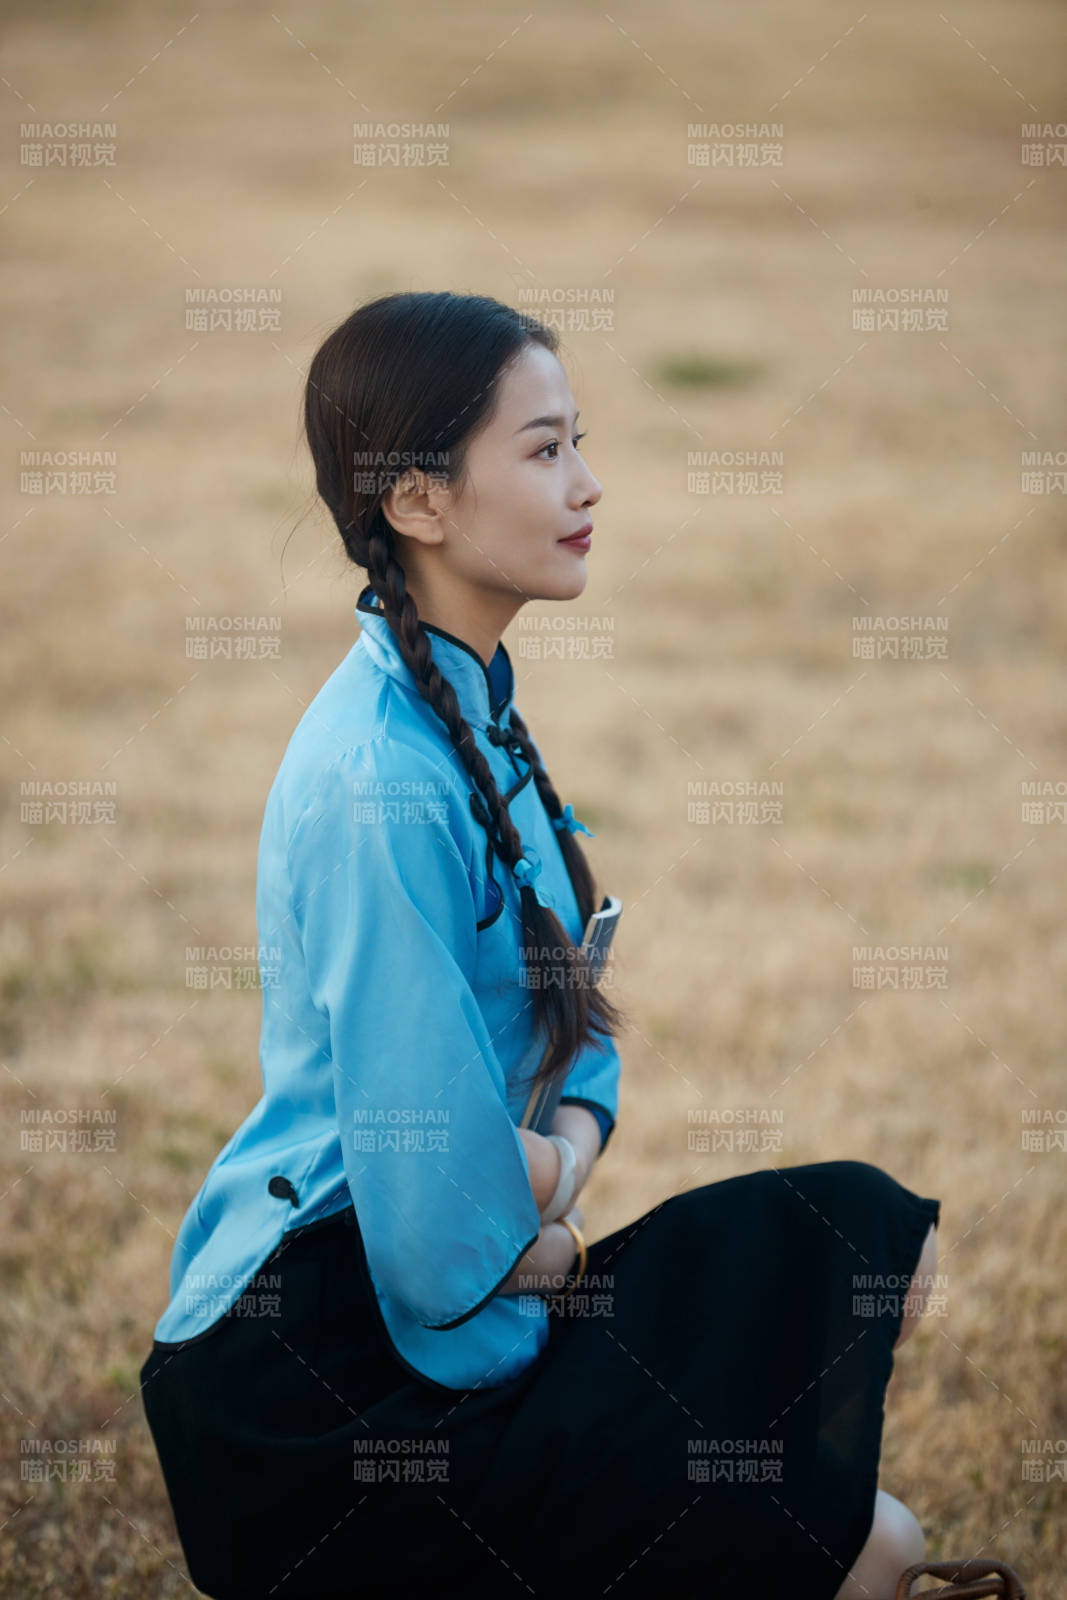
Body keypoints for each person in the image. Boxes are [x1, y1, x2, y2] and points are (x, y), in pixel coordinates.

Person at [139, 290, 941, 1599]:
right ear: (418, 499)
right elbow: (439, 1230)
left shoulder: (474, 710)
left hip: (465, 1294)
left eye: (580, 441)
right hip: (328, 1394)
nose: (590, 483)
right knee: (873, 1544)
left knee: (859, 1240)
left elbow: (573, 1056)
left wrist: (550, 1178)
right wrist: (543, 1230)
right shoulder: (377, 783)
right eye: (545, 447)